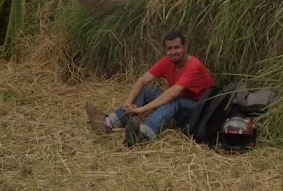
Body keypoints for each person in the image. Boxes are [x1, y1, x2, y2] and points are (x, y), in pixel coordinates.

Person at [86, 30, 214, 146]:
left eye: (177, 47)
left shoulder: (194, 65)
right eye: (169, 48)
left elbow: (173, 92)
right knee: (146, 91)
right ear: (165, 50)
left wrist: (142, 109)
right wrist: (128, 103)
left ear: (185, 47)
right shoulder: (166, 62)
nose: (173, 52)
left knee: (173, 100)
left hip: (199, 109)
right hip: (178, 104)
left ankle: (142, 134)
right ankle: (109, 123)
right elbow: (142, 80)